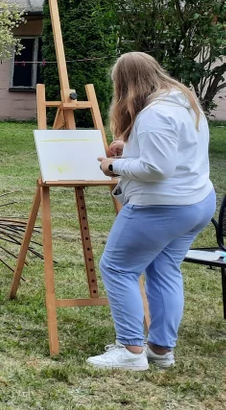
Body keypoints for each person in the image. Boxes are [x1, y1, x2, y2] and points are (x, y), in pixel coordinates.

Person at [90, 51, 215, 371]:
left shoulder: (154, 115)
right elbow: (174, 153)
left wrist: (113, 164)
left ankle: (131, 351)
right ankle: (160, 350)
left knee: (117, 268)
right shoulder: (183, 101)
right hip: (196, 201)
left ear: (125, 84)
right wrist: (130, 148)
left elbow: (157, 169)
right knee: (163, 270)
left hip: (163, 207)